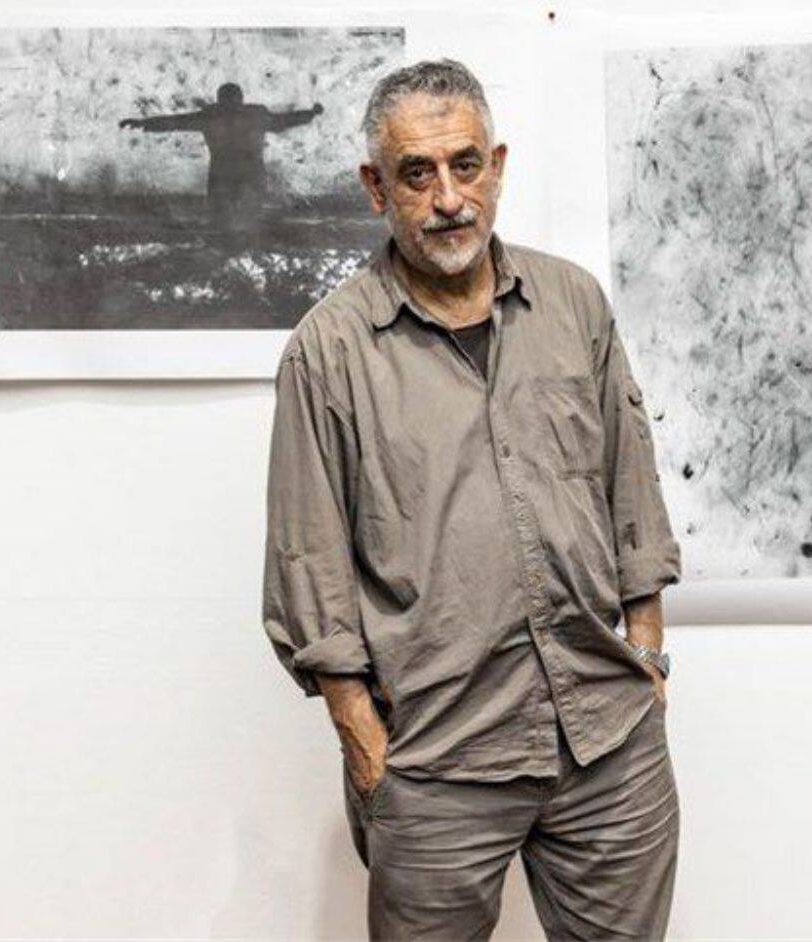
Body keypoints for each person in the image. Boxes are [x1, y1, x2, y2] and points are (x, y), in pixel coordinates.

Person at [260, 58, 686, 940]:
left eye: (464, 166)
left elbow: (631, 485)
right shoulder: (327, 352)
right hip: (435, 760)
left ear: (496, 166)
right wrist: (364, 741)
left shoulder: (574, 303)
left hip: (608, 741)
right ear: (376, 187)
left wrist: (647, 651)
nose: (448, 198)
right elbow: (308, 559)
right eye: (417, 174)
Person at [118, 82, 323, 226]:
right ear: (239, 99)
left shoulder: (216, 116)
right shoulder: (247, 115)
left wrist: (142, 123)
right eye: (229, 103)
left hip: (231, 174)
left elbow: (174, 122)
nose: (231, 108)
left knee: (235, 219)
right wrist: (310, 114)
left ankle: (233, 241)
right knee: (232, 220)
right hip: (239, 174)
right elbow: (284, 121)